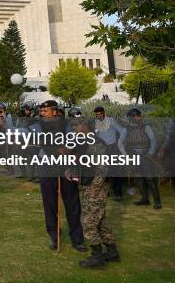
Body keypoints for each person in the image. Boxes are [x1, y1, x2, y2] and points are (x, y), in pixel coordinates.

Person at [30, 100, 86, 252]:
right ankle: (55, 237)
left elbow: (72, 140)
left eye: (45, 110)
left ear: (55, 111)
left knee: (72, 203)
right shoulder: (37, 125)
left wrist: (66, 148)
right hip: (46, 166)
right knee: (50, 204)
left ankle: (77, 239)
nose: (42, 113)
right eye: (41, 111)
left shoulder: (65, 124)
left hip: (65, 166)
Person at [70, 119, 120, 268]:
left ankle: (97, 258)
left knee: (88, 223)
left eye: (77, 125)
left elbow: (103, 166)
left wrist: (96, 186)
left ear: (85, 126)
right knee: (101, 221)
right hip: (87, 184)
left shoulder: (97, 143)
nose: (74, 128)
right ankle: (112, 252)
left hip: (94, 186)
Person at [118, 108, 162, 209]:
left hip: (145, 155)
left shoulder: (146, 127)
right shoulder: (126, 129)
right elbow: (120, 142)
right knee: (138, 177)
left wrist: (150, 153)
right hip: (133, 155)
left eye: (138, 116)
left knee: (150, 178)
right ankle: (144, 199)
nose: (138, 118)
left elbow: (153, 140)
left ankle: (157, 201)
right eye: (135, 116)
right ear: (131, 117)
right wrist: (125, 156)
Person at [93, 106, 125, 201]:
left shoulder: (111, 121)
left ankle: (118, 193)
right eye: (97, 114)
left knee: (116, 170)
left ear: (104, 112)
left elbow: (122, 131)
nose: (98, 116)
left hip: (113, 148)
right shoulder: (95, 123)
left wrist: (120, 142)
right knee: (104, 171)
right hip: (102, 150)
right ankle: (106, 192)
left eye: (100, 113)